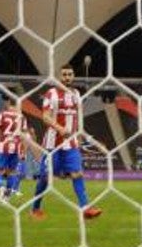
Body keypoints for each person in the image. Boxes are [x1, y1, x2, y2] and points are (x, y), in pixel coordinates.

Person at [31, 65, 103, 220]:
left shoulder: (76, 94)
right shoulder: (52, 93)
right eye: (64, 74)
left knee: (77, 173)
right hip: (53, 144)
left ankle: (86, 208)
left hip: (71, 144)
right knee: (46, 178)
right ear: (59, 76)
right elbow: (45, 117)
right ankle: (35, 208)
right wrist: (60, 128)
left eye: (70, 74)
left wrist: (91, 141)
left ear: (73, 76)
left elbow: (77, 122)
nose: (67, 77)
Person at [0, 97, 26, 199]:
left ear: (9, 102)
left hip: (4, 145)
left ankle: (1, 187)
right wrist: (22, 149)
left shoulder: (2, 114)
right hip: (16, 146)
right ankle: (7, 196)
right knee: (12, 171)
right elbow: (23, 135)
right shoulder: (21, 117)